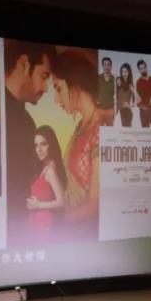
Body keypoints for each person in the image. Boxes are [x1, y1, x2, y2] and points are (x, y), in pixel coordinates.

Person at [4, 39, 55, 242]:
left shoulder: (24, 118)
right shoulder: (10, 115)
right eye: (43, 77)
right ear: (24, 64)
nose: (45, 88)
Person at [52, 50, 102, 235]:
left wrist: (55, 222)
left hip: (88, 233)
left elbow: (95, 205)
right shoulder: (82, 126)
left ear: (75, 84)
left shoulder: (101, 129)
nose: (56, 100)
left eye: (58, 89)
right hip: (73, 229)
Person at [25, 125, 67, 240]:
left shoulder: (50, 170)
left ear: (51, 145)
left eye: (43, 144)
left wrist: (38, 205)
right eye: (36, 145)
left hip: (45, 225)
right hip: (39, 223)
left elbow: (62, 202)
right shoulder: (45, 168)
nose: (39, 149)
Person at [135, 60, 151, 128]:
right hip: (143, 111)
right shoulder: (138, 82)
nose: (143, 70)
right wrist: (144, 108)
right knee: (145, 131)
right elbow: (137, 100)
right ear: (139, 70)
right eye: (141, 69)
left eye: (144, 67)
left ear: (146, 67)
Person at [115, 62, 135, 127]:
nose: (124, 73)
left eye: (126, 71)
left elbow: (137, 99)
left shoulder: (130, 85)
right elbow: (116, 98)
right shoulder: (118, 81)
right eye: (122, 71)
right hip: (119, 111)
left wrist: (129, 106)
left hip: (126, 112)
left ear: (129, 73)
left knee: (125, 130)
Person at [97, 56, 115, 125]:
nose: (106, 66)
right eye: (105, 64)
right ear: (102, 66)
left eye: (108, 64)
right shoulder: (98, 78)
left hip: (110, 110)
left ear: (111, 66)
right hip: (99, 110)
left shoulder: (115, 79)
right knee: (99, 130)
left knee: (110, 130)